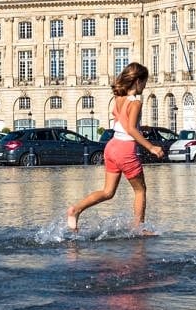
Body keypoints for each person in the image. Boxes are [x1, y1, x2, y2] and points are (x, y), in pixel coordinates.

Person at [67, 62, 165, 235]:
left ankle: (76, 210)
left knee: (108, 192)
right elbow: (131, 129)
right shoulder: (136, 102)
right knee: (140, 190)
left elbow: (123, 123)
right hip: (125, 150)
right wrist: (151, 147)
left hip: (111, 146)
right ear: (137, 82)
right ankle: (138, 228)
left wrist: (144, 128)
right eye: (144, 82)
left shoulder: (119, 97)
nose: (145, 85)